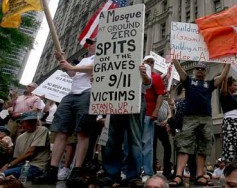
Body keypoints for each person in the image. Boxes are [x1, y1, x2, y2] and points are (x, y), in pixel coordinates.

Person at [33, 37, 97, 185]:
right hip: (71, 95)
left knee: (83, 132)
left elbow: (97, 67)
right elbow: (73, 75)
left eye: (91, 43)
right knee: (61, 131)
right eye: (89, 44)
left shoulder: (103, 56)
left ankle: (77, 171)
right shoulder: (83, 60)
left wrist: (71, 66)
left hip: (88, 93)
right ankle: (52, 169)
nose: (88, 45)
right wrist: (62, 61)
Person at [169, 60, 230, 187]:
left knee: (203, 147)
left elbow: (222, 76)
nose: (200, 70)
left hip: (206, 118)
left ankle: (199, 175)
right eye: (198, 68)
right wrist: (174, 59)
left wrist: (229, 63)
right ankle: (179, 175)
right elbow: (181, 71)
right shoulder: (189, 81)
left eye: (202, 69)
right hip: (190, 118)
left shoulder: (209, 84)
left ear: (206, 71)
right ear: (195, 70)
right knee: (184, 146)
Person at [99, 61, 152, 187]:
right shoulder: (114, 61)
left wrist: (143, 74)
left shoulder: (144, 64)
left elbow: (147, 84)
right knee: (113, 139)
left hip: (136, 99)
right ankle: (111, 175)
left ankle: (133, 176)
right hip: (117, 98)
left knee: (135, 139)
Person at [0, 112, 50, 180]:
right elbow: (15, 157)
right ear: (22, 122)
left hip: (37, 166)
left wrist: (9, 165)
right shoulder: (20, 137)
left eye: (34, 120)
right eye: (28, 121)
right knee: (3, 173)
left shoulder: (42, 130)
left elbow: (30, 153)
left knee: (3, 174)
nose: (32, 123)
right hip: (22, 166)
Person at [142, 55, 165, 183]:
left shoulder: (156, 77)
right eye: (147, 61)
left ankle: (148, 171)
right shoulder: (138, 73)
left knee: (147, 143)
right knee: (131, 143)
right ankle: (129, 170)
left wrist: (156, 111)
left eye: (152, 62)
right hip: (134, 113)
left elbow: (160, 95)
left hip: (148, 114)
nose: (150, 64)